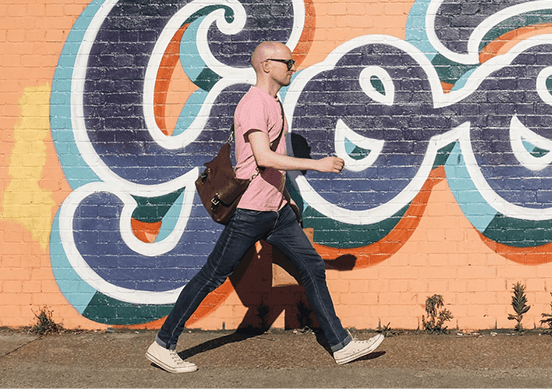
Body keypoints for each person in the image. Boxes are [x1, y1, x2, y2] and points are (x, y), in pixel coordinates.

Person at [146, 41, 384, 373]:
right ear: (266, 65)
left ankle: (341, 345)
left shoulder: (274, 103)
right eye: (288, 62)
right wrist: (317, 165)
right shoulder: (253, 104)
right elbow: (263, 157)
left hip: (276, 213)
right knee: (212, 276)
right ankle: (163, 344)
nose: (293, 66)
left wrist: (284, 199)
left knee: (312, 266)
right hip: (250, 211)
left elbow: (270, 165)